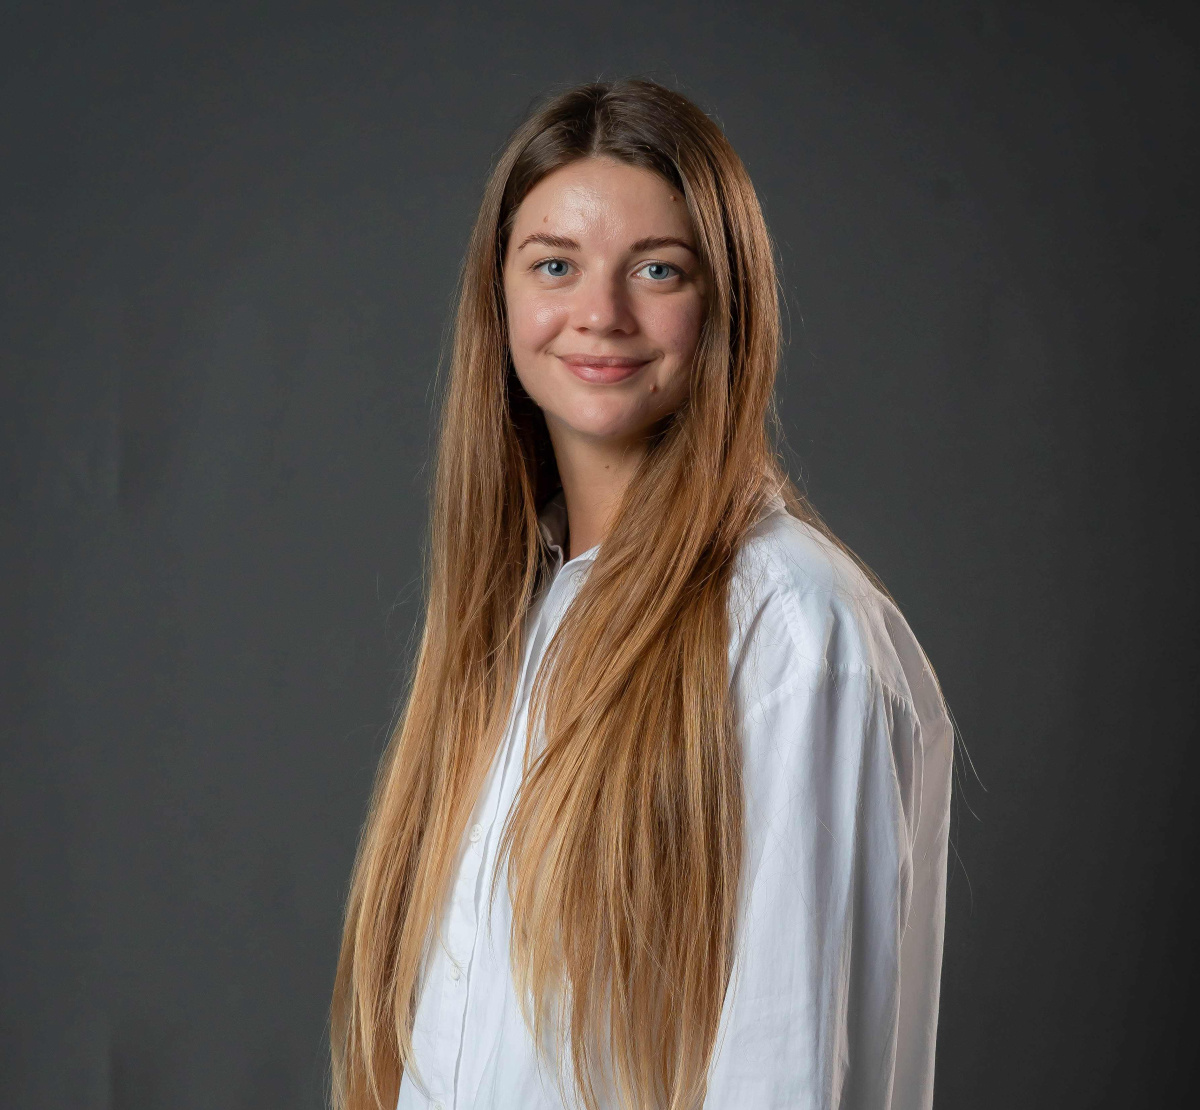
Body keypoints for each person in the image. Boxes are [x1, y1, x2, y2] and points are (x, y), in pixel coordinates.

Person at [330, 77, 954, 1110]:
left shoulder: (792, 633)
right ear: (499, 299)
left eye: (658, 269)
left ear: (726, 301)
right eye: (555, 265)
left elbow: (783, 1075)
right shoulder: (518, 614)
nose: (600, 315)